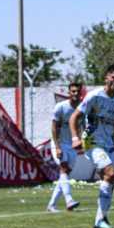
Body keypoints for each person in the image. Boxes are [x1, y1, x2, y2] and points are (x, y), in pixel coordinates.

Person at [70, 64, 114, 228]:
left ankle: (100, 219)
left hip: (109, 143)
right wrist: (75, 138)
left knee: (110, 180)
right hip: (92, 142)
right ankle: (100, 220)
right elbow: (75, 117)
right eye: (113, 77)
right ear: (106, 78)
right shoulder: (94, 96)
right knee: (110, 173)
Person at [46, 82, 83, 213]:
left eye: (77, 91)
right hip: (59, 143)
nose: (75, 93)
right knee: (64, 168)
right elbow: (54, 128)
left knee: (65, 175)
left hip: (71, 144)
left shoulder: (81, 109)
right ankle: (69, 200)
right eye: (73, 91)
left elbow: (81, 127)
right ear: (69, 93)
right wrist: (57, 147)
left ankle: (51, 205)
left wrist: (81, 142)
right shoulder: (60, 107)